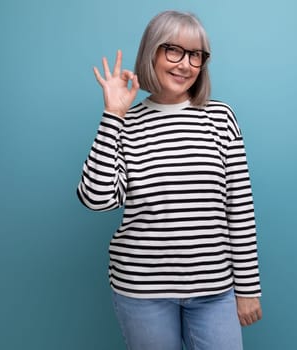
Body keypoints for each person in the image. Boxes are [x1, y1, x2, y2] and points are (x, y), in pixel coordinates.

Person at [77, 10, 262, 350]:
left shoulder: (221, 119)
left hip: (214, 289)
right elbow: (96, 199)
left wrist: (248, 289)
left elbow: (240, 209)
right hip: (141, 291)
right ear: (152, 52)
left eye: (195, 55)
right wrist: (113, 116)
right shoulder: (126, 124)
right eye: (173, 50)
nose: (185, 64)